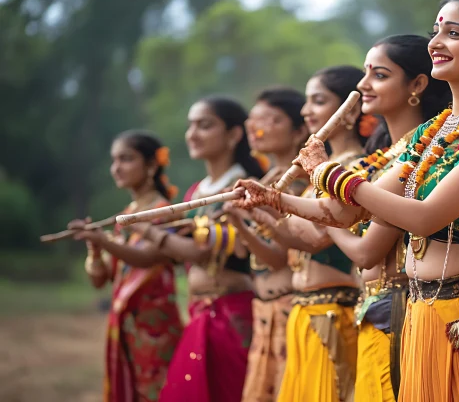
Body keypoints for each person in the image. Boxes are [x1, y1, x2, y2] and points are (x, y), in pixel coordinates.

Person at [234, 0, 459, 401]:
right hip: (421, 317)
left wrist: (325, 171)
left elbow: (424, 217)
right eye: (436, 31)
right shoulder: (433, 131)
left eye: (454, 33)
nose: (435, 42)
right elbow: (347, 213)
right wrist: (273, 200)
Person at [231, 65, 369, 402]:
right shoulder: (326, 170)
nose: (306, 111)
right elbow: (305, 232)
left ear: (349, 112)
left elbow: (318, 235)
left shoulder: (356, 167)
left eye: (318, 101)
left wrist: (269, 205)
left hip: (333, 309)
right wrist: (262, 207)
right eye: (306, 102)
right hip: (306, 308)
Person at [138, 97, 265, 402]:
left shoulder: (243, 188)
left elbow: (201, 253)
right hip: (199, 311)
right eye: (191, 125)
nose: (192, 134)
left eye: (204, 125)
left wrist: (146, 230)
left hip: (232, 312)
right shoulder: (197, 191)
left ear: (234, 135)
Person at [69, 130, 183, 402]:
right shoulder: (127, 214)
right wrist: (95, 249)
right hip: (126, 326)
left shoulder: (164, 210)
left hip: (155, 327)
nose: (116, 168)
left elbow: (146, 258)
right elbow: (100, 279)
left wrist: (104, 241)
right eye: (114, 160)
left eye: (126, 159)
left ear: (151, 166)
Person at [240, 87, 309, 402]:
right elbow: (245, 253)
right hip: (264, 310)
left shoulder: (303, 183)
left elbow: (284, 255)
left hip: (291, 306)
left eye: (272, 120)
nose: (258, 128)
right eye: (253, 120)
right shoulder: (266, 181)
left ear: (300, 130)